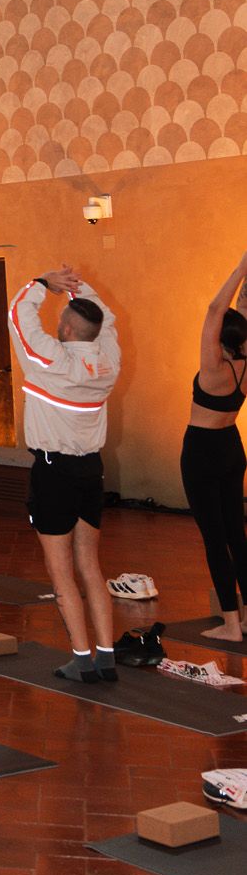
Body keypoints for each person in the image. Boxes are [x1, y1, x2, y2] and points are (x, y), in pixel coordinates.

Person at [8, 266, 122, 682]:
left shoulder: (50, 361)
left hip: (54, 473)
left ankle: (82, 659)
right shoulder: (109, 361)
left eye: (62, 321)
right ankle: (106, 657)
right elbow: (106, 319)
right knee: (89, 565)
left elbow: (18, 316)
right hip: (91, 470)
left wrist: (43, 284)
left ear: (68, 330)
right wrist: (77, 288)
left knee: (61, 573)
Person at [180, 252, 247, 642]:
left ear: (220, 340)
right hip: (232, 447)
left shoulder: (213, 369)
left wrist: (239, 269)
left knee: (214, 540)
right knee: (237, 535)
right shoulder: (242, 364)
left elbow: (214, 310)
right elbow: (238, 313)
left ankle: (231, 625)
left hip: (202, 451)